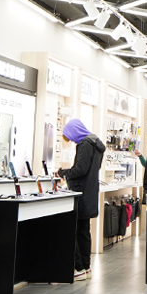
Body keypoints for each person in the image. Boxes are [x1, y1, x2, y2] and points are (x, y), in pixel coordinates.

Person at [58, 119, 105, 281]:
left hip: (81, 192)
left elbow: (81, 169)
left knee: (76, 231)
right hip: (89, 192)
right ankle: (86, 267)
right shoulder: (96, 144)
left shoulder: (85, 145)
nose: (72, 141)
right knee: (84, 231)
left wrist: (64, 173)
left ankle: (78, 268)